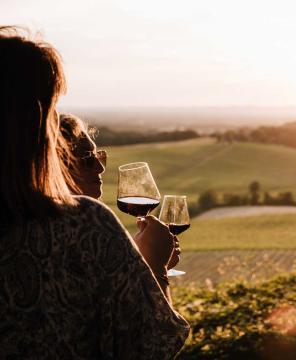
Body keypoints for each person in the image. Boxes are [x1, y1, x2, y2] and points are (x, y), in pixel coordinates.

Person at [0, 26, 189, 358]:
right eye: (52, 105)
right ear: (36, 120)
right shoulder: (82, 228)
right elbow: (149, 347)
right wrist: (153, 268)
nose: (100, 168)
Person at [57, 113, 181, 269]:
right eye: (87, 158)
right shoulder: (74, 235)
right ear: (52, 167)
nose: (101, 167)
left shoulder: (85, 229)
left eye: (98, 156)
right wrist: (154, 265)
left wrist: (145, 260)